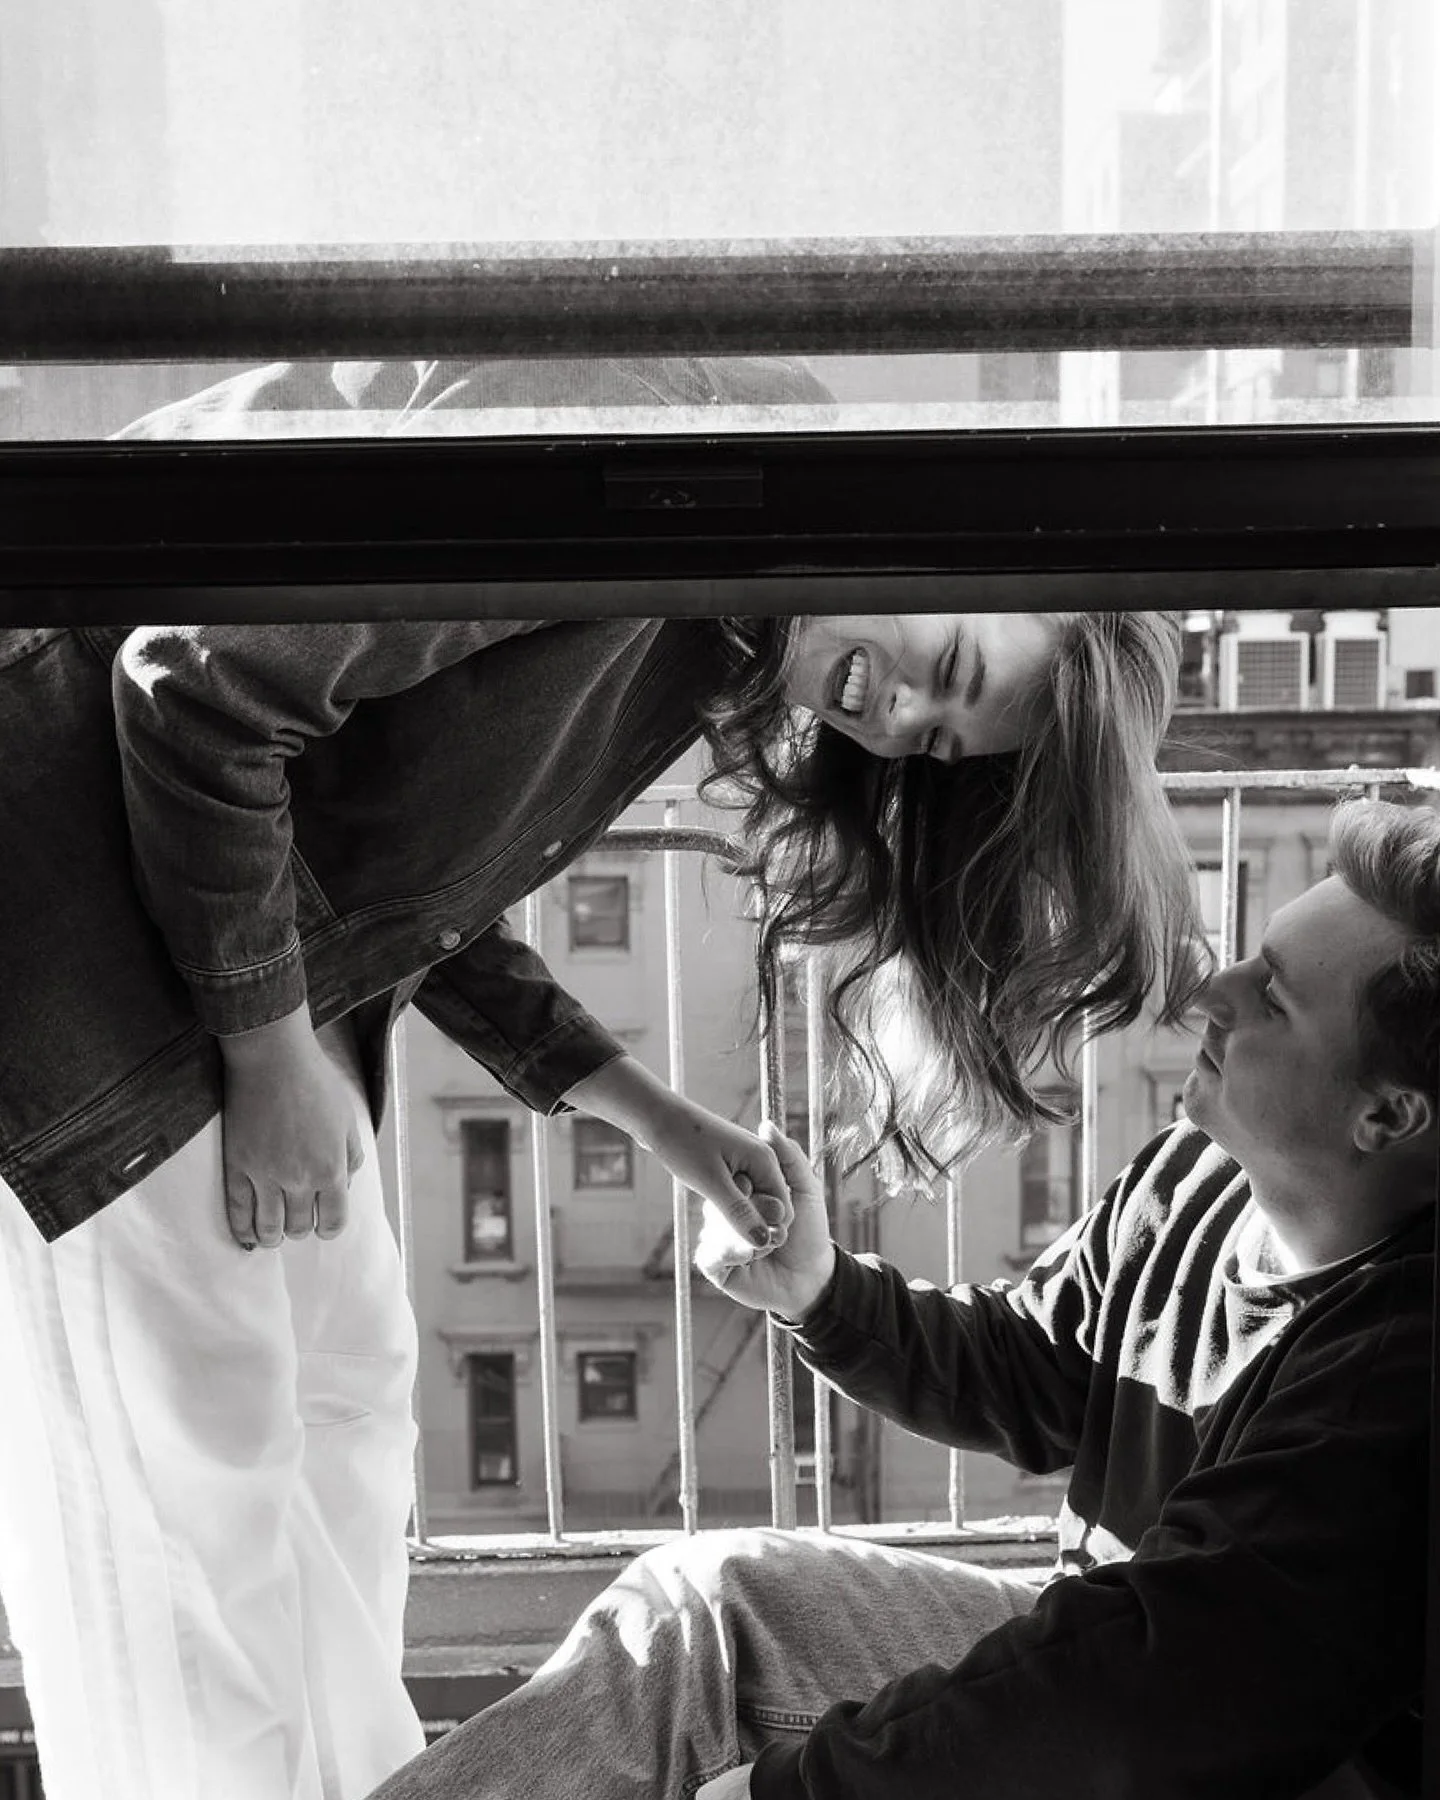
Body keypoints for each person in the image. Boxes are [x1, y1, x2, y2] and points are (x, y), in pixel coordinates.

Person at [0, 592, 1202, 1798]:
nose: (898, 713)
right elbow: (195, 682)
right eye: (945, 666)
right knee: (176, 1554)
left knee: (350, 1417)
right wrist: (265, 1050)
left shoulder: (706, 634)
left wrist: (654, 1115)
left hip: (248, 1034)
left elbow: (395, 871)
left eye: (935, 739)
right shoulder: (667, 523)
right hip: (99, 1024)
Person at [366, 795, 1439, 1800]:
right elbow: (1028, 1366)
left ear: (1387, 1117)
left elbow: (1157, 1692)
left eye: (1276, 1000)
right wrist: (824, 1294)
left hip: (1211, 1756)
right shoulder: (1190, 1180)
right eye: (1251, 955)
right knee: (711, 1612)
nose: (1214, 991)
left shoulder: (1399, 1368)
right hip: (1109, 1677)